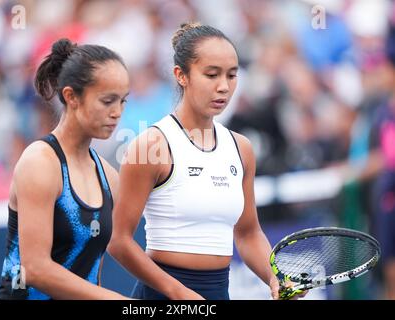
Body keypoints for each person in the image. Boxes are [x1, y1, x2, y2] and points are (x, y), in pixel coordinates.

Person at [108, 23, 304, 300]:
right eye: (211, 74)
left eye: (232, 75)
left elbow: (248, 233)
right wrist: (178, 292)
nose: (224, 86)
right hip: (164, 296)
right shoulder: (151, 145)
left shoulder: (241, 148)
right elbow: (118, 241)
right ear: (181, 75)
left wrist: (275, 278)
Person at [0, 38, 130, 299]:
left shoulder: (109, 177)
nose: (117, 112)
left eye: (123, 101)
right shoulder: (40, 162)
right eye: (107, 101)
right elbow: (35, 269)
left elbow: (91, 275)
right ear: (71, 96)